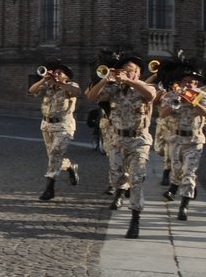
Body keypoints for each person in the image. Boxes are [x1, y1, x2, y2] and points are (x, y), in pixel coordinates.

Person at [89, 50, 158, 238]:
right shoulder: (113, 89)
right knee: (117, 176)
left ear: (138, 73)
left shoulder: (145, 87)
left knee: (136, 179)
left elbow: (150, 96)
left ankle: (135, 219)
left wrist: (129, 81)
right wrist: (105, 79)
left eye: (132, 70)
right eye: (125, 70)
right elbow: (92, 97)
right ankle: (120, 189)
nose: (128, 73)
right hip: (117, 140)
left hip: (139, 141)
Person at [156, 60, 206, 222]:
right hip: (175, 140)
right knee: (176, 171)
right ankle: (175, 187)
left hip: (194, 140)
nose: (189, 85)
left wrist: (194, 101)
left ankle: (184, 206)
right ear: (180, 82)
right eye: (186, 82)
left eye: (193, 82)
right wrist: (178, 102)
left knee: (189, 173)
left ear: (197, 84)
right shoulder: (171, 96)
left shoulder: (203, 96)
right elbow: (162, 114)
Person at [30, 65, 81, 199]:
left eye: (60, 73)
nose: (56, 74)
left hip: (64, 125)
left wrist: (58, 83)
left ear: (66, 77)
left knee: (54, 154)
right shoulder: (47, 85)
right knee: (54, 157)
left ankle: (49, 188)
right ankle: (70, 166)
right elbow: (32, 90)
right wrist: (43, 80)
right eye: (55, 72)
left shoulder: (71, 85)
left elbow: (76, 91)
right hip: (47, 125)